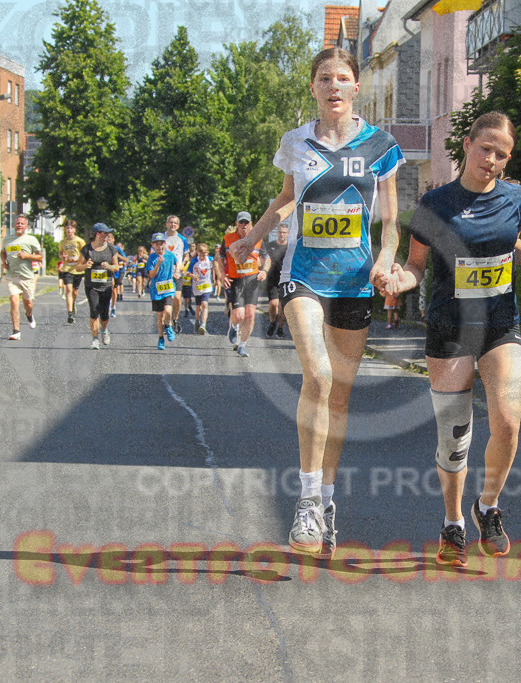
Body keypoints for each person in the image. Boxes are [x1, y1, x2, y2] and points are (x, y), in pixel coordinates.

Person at [229, 47, 404, 558]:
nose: (334, 86)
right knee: (318, 377)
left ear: (356, 88)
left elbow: (389, 221)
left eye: (343, 78)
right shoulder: (296, 141)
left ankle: (327, 501)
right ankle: (305, 502)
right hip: (303, 275)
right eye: (324, 78)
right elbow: (285, 197)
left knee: (342, 396)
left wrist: (386, 259)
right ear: (313, 88)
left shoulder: (381, 145)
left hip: (354, 280)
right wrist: (256, 235)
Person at [384, 111, 521, 567]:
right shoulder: (436, 204)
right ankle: (453, 521)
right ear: (467, 146)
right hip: (450, 330)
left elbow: (508, 241)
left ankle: (488, 506)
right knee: (455, 436)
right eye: (485, 149)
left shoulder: (515, 196)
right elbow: (417, 265)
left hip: (500, 324)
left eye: (502, 154)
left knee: (509, 421)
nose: (492, 160)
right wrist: (402, 281)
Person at [217, 211, 265, 358]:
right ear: (237, 224)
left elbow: (266, 258)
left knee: (250, 315)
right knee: (239, 315)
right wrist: (222, 276)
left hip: (252, 281)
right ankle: (233, 325)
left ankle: (243, 345)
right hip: (236, 280)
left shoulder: (258, 239)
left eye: (246, 222)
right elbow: (218, 259)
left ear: (251, 224)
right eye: (241, 222)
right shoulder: (228, 239)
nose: (244, 225)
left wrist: (264, 270)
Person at [77, 222, 122, 349]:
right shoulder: (87, 249)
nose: (107, 236)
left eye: (108, 233)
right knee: (94, 311)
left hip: (106, 285)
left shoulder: (111, 249)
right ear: (98, 234)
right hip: (91, 286)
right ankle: (95, 339)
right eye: (105, 233)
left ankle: (104, 330)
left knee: (104, 314)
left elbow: (116, 267)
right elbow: (78, 266)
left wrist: (109, 266)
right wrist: (86, 266)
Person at [2, 215, 43, 341]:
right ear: (14, 225)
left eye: (22, 223)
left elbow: (40, 257)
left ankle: (29, 314)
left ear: (26, 227)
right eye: (17, 223)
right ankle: (16, 331)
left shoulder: (31, 240)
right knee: (14, 301)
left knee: (28, 303)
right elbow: (3, 252)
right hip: (11, 275)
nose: (19, 225)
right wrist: (4, 261)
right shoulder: (7, 239)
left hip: (26, 277)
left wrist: (27, 256)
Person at [146, 232, 180, 350]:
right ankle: (161, 339)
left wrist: (177, 272)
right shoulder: (151, 258)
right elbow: (152, 274)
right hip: (156, 290)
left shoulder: (170, 255)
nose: (159, 246)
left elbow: (178, 264)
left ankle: (168, 325)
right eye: (157, 244)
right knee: (159, 316)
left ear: (165, 244)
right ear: (153, 245)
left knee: (168, 311)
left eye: (161, 243)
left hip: (168, 288)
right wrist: (158, 264)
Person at [263, 222, 290, 338]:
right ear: (277, 233)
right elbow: (263, 259)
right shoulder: (270, 246)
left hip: (286, 280)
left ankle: (280, 328)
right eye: (280, 232)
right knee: (273, 304)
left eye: (284, 233)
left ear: (288, 234)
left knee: (283, 307)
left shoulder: (291, 248)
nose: (282, 234)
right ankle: (272, 322)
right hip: (272, 280)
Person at [163, 215, 189, 334]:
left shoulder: (182, 239)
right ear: (166, 224)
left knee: (177, 298)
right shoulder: (161, 238)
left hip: (177, 272)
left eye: (175, 223)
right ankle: (165, 322)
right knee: (165, 300)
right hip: (164, 273)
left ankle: (176, 319)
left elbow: (187, 256)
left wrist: (182, 266)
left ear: (178, 226)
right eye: (171, 222)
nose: (173, 225)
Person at [58, 219, 86, 324]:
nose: (69, 230)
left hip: (77, 269)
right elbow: (60, 253)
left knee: (75, 292)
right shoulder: (62, 242)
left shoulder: (80, 241)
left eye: (71, 228)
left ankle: (73, 305)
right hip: (67, 269)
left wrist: (77, 258)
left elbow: (85, 253)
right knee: (68, 290)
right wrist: (63, 256)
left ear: (74, 230)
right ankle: (70, 313)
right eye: (67, 228)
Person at [189, 243, 214, 335]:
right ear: (197, 253)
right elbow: (187, 272)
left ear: (207, 253)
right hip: (197, 287)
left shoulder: (210, 260)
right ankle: (197, 322)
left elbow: (217, 263)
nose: (202, 257)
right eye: (200, 255)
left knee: (204, 304)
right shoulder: (194, 261)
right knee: (198, 307)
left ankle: (203, 324)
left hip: (206, 286)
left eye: (204, 255)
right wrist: (193, 275)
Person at [107, 232, 127, 318]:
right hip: (107, 270)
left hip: (116, 270)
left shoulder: (117, 248)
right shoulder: (103, 248)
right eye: (107, 238)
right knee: (109, 287)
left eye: (110, 238)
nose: (108, 240)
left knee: (114, 289)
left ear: (113, 240)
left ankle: (113, 307)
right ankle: (107, 304)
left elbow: (125, 259)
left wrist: (117, 255)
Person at [181, 241, 199, 321]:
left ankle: (190, 306)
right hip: (183, 282)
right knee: (185, 298)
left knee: (189, 298)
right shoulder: (182, 263)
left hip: (191, 281)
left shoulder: (192, 262)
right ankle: (186, 310)